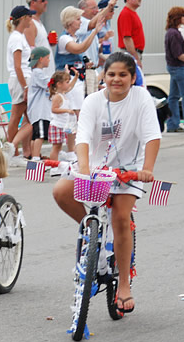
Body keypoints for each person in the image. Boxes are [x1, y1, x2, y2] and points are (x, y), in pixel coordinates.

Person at [53, 52, 161, 314]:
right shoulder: (93, 101)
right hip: (95, 169)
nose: (116, 79)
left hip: (128, 171)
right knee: (61, 192)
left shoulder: (141, 98)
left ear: (132, 78)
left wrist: (147, 169)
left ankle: (124, 284)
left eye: (123, 74)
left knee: (121, 218)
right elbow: (83, 137)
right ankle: (94, 236)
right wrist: (86, 168)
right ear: (104, 76)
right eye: (111, 74)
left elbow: (151, 136)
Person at [3, 5, 35, 165]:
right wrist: (26, 86)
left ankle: (24, 152)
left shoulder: (19, 36)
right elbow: (18, 65)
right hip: (21, 79)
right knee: (24, 118)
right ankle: (12, 151)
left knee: (27, 118)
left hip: (21, 79)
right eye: (29, 16)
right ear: (23, 18)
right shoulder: (16, 37)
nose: (31, 19)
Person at [164, 6, 184, 134]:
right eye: (183, 15)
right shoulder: (175, 34)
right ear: (178, 18)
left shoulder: (170, 32)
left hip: (172, 67)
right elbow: (179, 54)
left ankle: (172, 124)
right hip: (179, 67)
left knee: (173, 96)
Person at [25, 47, 52, 161]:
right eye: (47, 58)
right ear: (41, 59)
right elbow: (49, 84)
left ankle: (35, 157)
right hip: (40, 111)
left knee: (35, 136)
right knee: (40, 136)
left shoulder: (36, 73)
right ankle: (36, 159)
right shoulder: (38, 73)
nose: (49, 60)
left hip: (36, 111)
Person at [23, 0, 56, 74]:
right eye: (43, 0)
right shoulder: (30, 24)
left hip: (46, 74)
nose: (46, 3)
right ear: (33, 3)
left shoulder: (38, 22)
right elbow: (31, 52)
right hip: (40, 76)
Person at [48, 70, 78, 162]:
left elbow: (70, 87)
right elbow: (54, 109)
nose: (68, 84)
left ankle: (59, 162)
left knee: (60, 146)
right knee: (56, 147)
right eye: (67, 82)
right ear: (59, 84)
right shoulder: (57, 96)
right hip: (57, 125)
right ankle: (54, 165)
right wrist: (67, 110)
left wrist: (76, 77)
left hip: (63, 125)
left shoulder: (63, 94)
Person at [117, 0, 146, 64]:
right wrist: (136, 59)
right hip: (130, 54)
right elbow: (127, 38)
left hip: (132, 53)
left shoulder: (131, 13)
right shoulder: (126, 14)